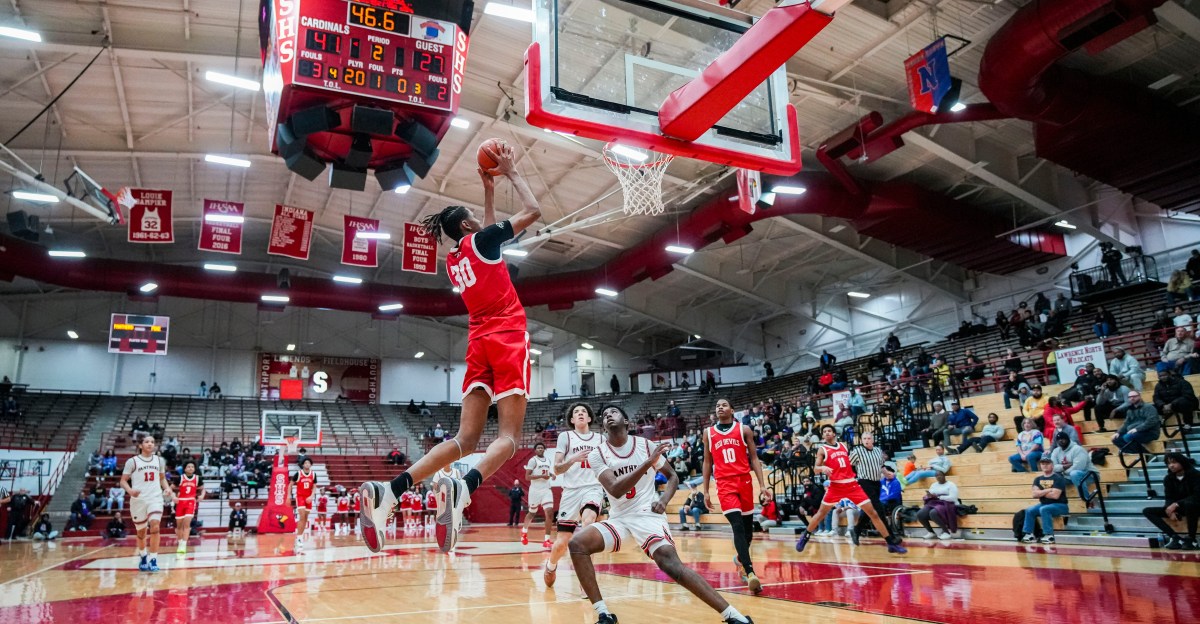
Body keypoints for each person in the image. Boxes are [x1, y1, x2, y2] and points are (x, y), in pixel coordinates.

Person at [360, 144, 542, 553]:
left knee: (465, 438)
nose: (480, 220)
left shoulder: (456, 258)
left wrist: (489, 191)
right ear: (465, 225)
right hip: (507, 337)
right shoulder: (483, 242)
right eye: (474, 217)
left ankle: (390, 491)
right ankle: (464, 486)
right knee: (509, 438)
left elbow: (488, 236)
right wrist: (511, 171)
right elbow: (534, 210)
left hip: (478, 342)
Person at [568, 404, 756, 624]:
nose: (608, 415)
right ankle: (604, 614)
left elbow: (673, 476)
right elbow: (615, 489)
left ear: (626, 421)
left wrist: (664, 500)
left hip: (647, 515)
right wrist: (647, 463)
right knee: (577, 544)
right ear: (603, 427)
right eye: (604, 415)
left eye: (614, 412)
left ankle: (734, 616)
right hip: (620, 520)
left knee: (669, 563)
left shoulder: (645, 445)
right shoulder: (597, 454)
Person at [794, 425, 907, 554]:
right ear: (823, 435)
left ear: (834, 433)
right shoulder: (822, 449)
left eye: (829, 431)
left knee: (873, 513)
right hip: (836, 486)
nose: (827, 433)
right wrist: (822, 468)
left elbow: (849, 463)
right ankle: (805, 536)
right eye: (824, 432)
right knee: (821, 513)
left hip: (852, 484)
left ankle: (891, 543)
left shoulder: (844, 445)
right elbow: (815, 469)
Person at [700, 398, 767, 593]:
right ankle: (750, 572)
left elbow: (754, 458)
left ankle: (739, 559)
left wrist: (762, 485)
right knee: (737, 526)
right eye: (717, 405)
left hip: (744, 481)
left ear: (732, 410)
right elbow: (707, 462)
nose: (720, 407)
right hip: (725, 483)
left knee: (748, 533)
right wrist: (706, 490)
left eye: (724, 405)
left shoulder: (744, 430)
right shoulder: (708, 433)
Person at [546, 403, 605, 586]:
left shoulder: (600, 439)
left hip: (593, 488)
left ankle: (586, 580)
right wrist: (572, 459)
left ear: (589, 418)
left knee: (588, 523)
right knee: (561, 543)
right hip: (571, 492)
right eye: (576, 412)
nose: (580, 414)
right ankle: (551, 565)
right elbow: (557, 469)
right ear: (572, 419)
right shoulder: (566, 437)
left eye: (584, 412)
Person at [120, 435, 174, 572]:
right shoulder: (132, 461)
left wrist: (167, 488)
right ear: (140, 445)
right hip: (138, 500)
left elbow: (162, 479)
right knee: (141, 532)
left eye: (152, 442)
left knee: (155, 526)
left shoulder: (159, 460)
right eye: (147, 442)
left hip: (155, 498)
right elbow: (123, 481)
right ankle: (143, 555)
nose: (150, 444)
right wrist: (130, 491)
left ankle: (153, 559)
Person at [1143, 453, 1200, 550]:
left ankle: (1192, 539)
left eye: (1174, 462)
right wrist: (1170, 509)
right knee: (1147, 511)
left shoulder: (1196, 475)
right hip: (1180, 507)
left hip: (1196, 506)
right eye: (1168, 463)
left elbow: (1197, 496)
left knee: (1189, 504)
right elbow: (1169, 497)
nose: (1171, 465)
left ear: (1182, 462)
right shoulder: (1168, 478)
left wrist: (1176, 504)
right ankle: (1175, 537)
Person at [1020, 458, 1070, 544]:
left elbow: (1055, 496)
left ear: (1052, 466)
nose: (1045, 465)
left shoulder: (1058, 478)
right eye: (1043, 464)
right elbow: (1034, 494)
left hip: (1060, 505)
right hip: (1044, 504)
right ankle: (1029, 534)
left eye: (1047, 463)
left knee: (1044, 509)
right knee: (1029, 510)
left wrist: (1041, 492)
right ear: (1040, 466)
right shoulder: (1037, 479)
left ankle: (1049, 535)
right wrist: (1049, 490)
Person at [519, 441, 555, 548]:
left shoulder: (548, 460)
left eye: (542, 448)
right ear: (535, 450)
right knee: (532, 513)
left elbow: (545, 472)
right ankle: (524, 531)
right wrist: (541, 476)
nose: (540, 449)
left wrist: (551, 474)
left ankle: (547, 540)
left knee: (549, 513)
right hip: (535, 490)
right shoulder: (532, 461)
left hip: (546, 489)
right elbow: (527, 477)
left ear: (544, 449)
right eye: (538, 448)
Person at [849, 432, 886, 537]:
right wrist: (853, 478)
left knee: (870, 509)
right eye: (864, 438)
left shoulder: (878, 451)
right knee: (878, 507)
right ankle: (889, 534)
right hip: (864, 481)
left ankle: (856, 530)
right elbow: (848, 464)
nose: (867, 440)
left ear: (873, 440)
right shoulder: (857, 451)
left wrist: (887, 473)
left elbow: (881, 466)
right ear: (861, 440)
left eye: (869, 438)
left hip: (877, 482)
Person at [917, 471, 959, 540]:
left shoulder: (951, 485)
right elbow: (931, 494)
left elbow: (953, 498)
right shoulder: (934, 485)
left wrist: (939, 497)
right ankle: (931, 532)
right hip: (935, 503)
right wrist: (929, 496)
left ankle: (946, 532)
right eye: (936, 476)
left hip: (948, 503)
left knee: (933, 513)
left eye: (940, 475)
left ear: (944, 476)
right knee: (920, 513)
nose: (938, 477)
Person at [173, 460, 204, 555]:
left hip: (190, 502)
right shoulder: (180, 478)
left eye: (192, 467)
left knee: (187, 524)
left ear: (194, 469)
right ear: (185, 469)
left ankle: (183, 544)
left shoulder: (197, 478)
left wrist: (202, 495)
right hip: (180, 502)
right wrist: (173, 497)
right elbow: (170, 488)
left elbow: (203, 489)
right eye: (189, 467)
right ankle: (180, 542)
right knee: (179, 526)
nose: (190, 468)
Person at [292, 457, 317, 551]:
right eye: (305, 463)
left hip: (308, 498)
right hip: (300, 497)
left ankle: (300, 536)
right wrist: (288, 496)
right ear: (303, 464)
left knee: (305, 518)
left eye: (308, 463)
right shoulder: (298, 473)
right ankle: (299, 537)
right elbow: (290, 484)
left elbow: (314, 487)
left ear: (311, 464)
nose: (307, 464)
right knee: (302, 517)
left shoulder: (313, 474)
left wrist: (311, 496)